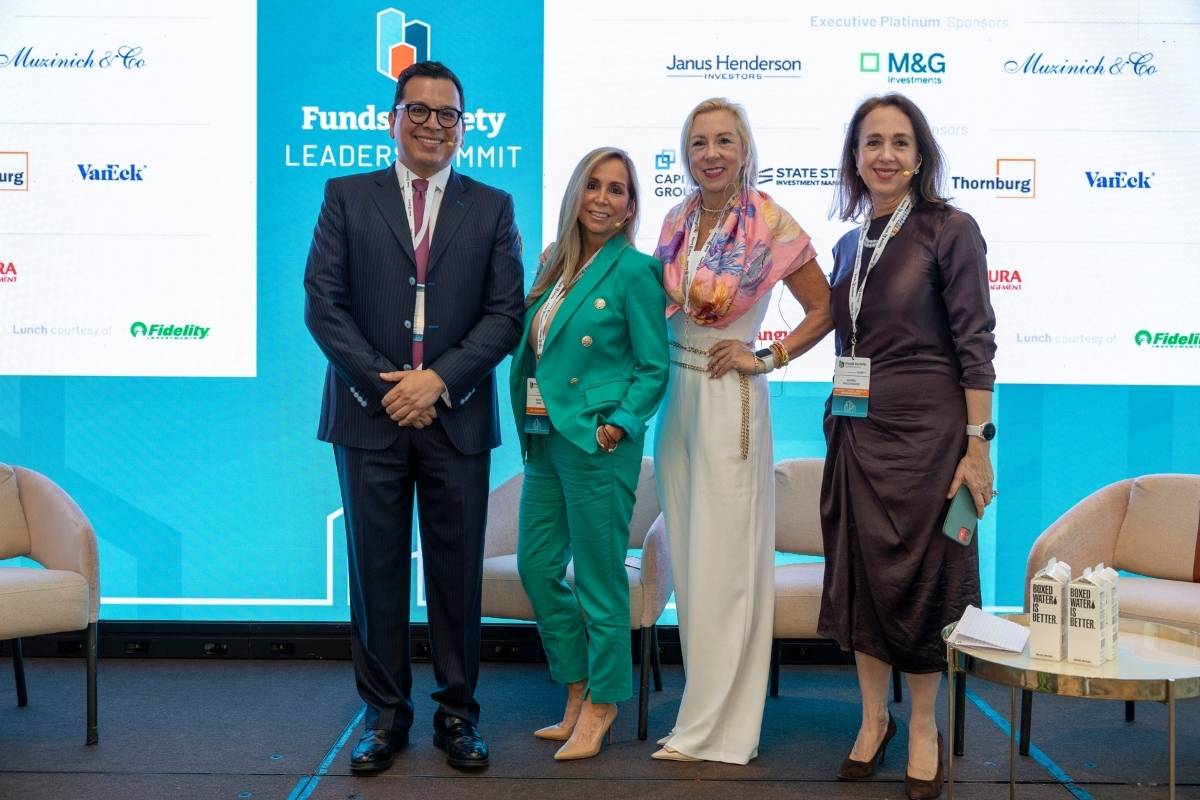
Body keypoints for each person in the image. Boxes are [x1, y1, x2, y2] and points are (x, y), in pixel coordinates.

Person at [303, 60, 524, 774]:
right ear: (392, 119)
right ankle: (383, 717)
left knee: (457, 577)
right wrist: (387, 388)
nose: (433, 124)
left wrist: (437, 382)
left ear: (464, 126)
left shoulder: (492, 207)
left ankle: (458, 715)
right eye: (418, 111)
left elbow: (505, 316)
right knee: (375, 574)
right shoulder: (345, 196)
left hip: (456, 417)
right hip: (368, 417)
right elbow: (323, 304)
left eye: (447, 114)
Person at [818, 92, 997, 800]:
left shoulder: (951, 229)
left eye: (899, 142)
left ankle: (923, 725)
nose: (885, 155)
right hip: (856, 432)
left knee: (924, 581)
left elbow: (976, 343)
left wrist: (977, 444)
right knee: (862, 577)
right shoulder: (846, 244)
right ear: (855, 157)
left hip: (928, 436)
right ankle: (873, 720)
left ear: (920, 156)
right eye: (872, 142)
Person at [652, 98, 832, 764]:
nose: (711, 154)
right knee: (692, 561)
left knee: (726, 563)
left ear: (745, 148)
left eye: (724, 140)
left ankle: (722, 730)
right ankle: (699, 710)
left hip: (731, 398)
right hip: (676, 402)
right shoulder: (676, 220)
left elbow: (825, 308)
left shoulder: (770, 220)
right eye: (699, 142)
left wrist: (769, 357)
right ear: (685, 152)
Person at [511, 147, 668, 761]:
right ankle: (576, 688)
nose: (603, 198)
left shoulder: (636, 270)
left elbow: (653, 367)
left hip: (597, 442)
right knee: (536, 566)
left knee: (600, 581)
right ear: (576, 193)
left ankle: (603, 703)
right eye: (594, 185)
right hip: (546, 437)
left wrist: (618, 427)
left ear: (630, 206)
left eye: (617, 189)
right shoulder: (554, 263)